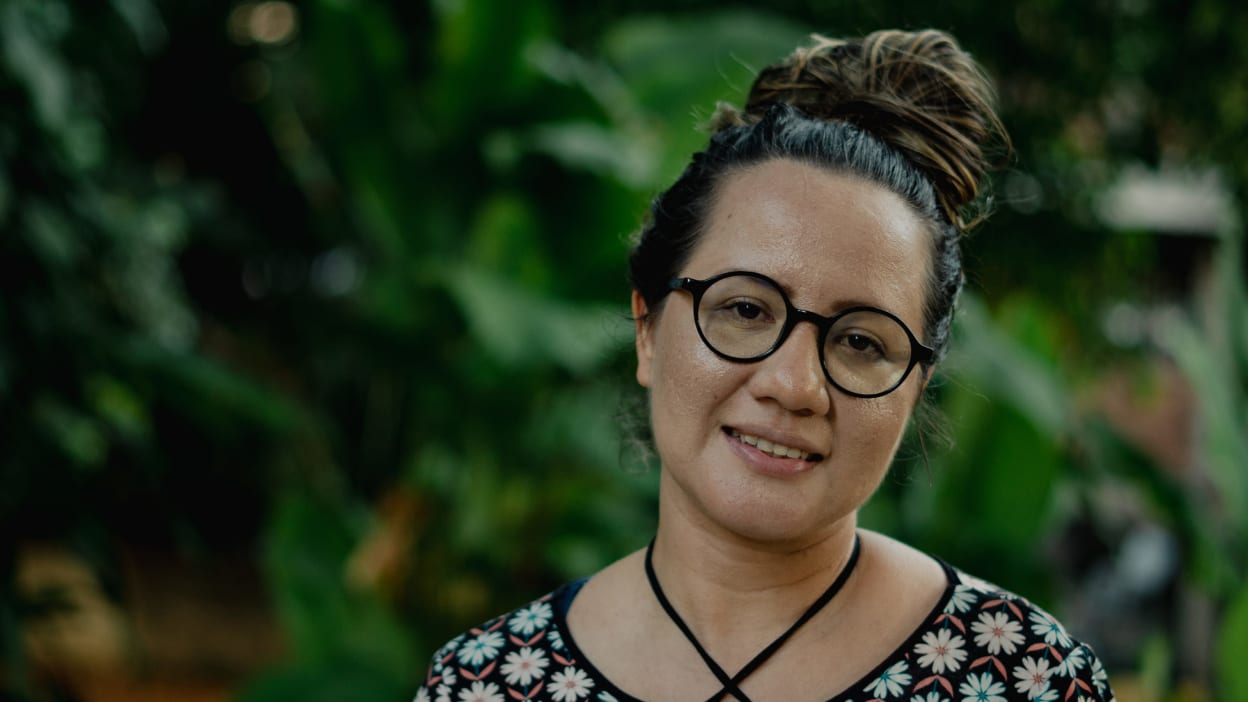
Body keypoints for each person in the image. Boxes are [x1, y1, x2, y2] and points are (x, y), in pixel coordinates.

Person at [415, 29, 1114, 702]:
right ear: (648, 331)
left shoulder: (1026, 676)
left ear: (915, 388)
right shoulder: (489, 683)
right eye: (747, 310)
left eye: (861, 342)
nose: (794, 385)